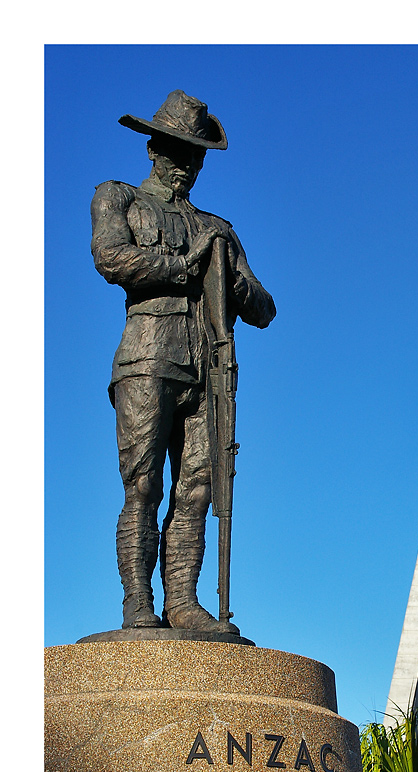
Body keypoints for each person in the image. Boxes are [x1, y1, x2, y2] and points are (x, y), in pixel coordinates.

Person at [91, 90, 275, 632]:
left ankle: (184, 604)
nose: (186, 166)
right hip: (148, 359)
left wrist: (233, 276)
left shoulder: (218, 227)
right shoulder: (118, 198)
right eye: (176, 152)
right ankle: (137, 604)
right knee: (143, 484)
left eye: (194, 156)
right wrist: (188, 263)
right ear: (152, 147)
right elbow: (112, 257)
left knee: (198, 487)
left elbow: (265, 308)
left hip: (208, 371)